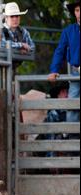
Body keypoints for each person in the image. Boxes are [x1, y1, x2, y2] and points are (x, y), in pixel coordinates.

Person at [48, 0, 80, 128]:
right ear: (74, 13)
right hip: (75, 71)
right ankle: (72, 137)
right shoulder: (69, 31)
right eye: (77, 10)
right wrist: (54, 69)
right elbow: (60, 51)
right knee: (72, 102)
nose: (80, 13)